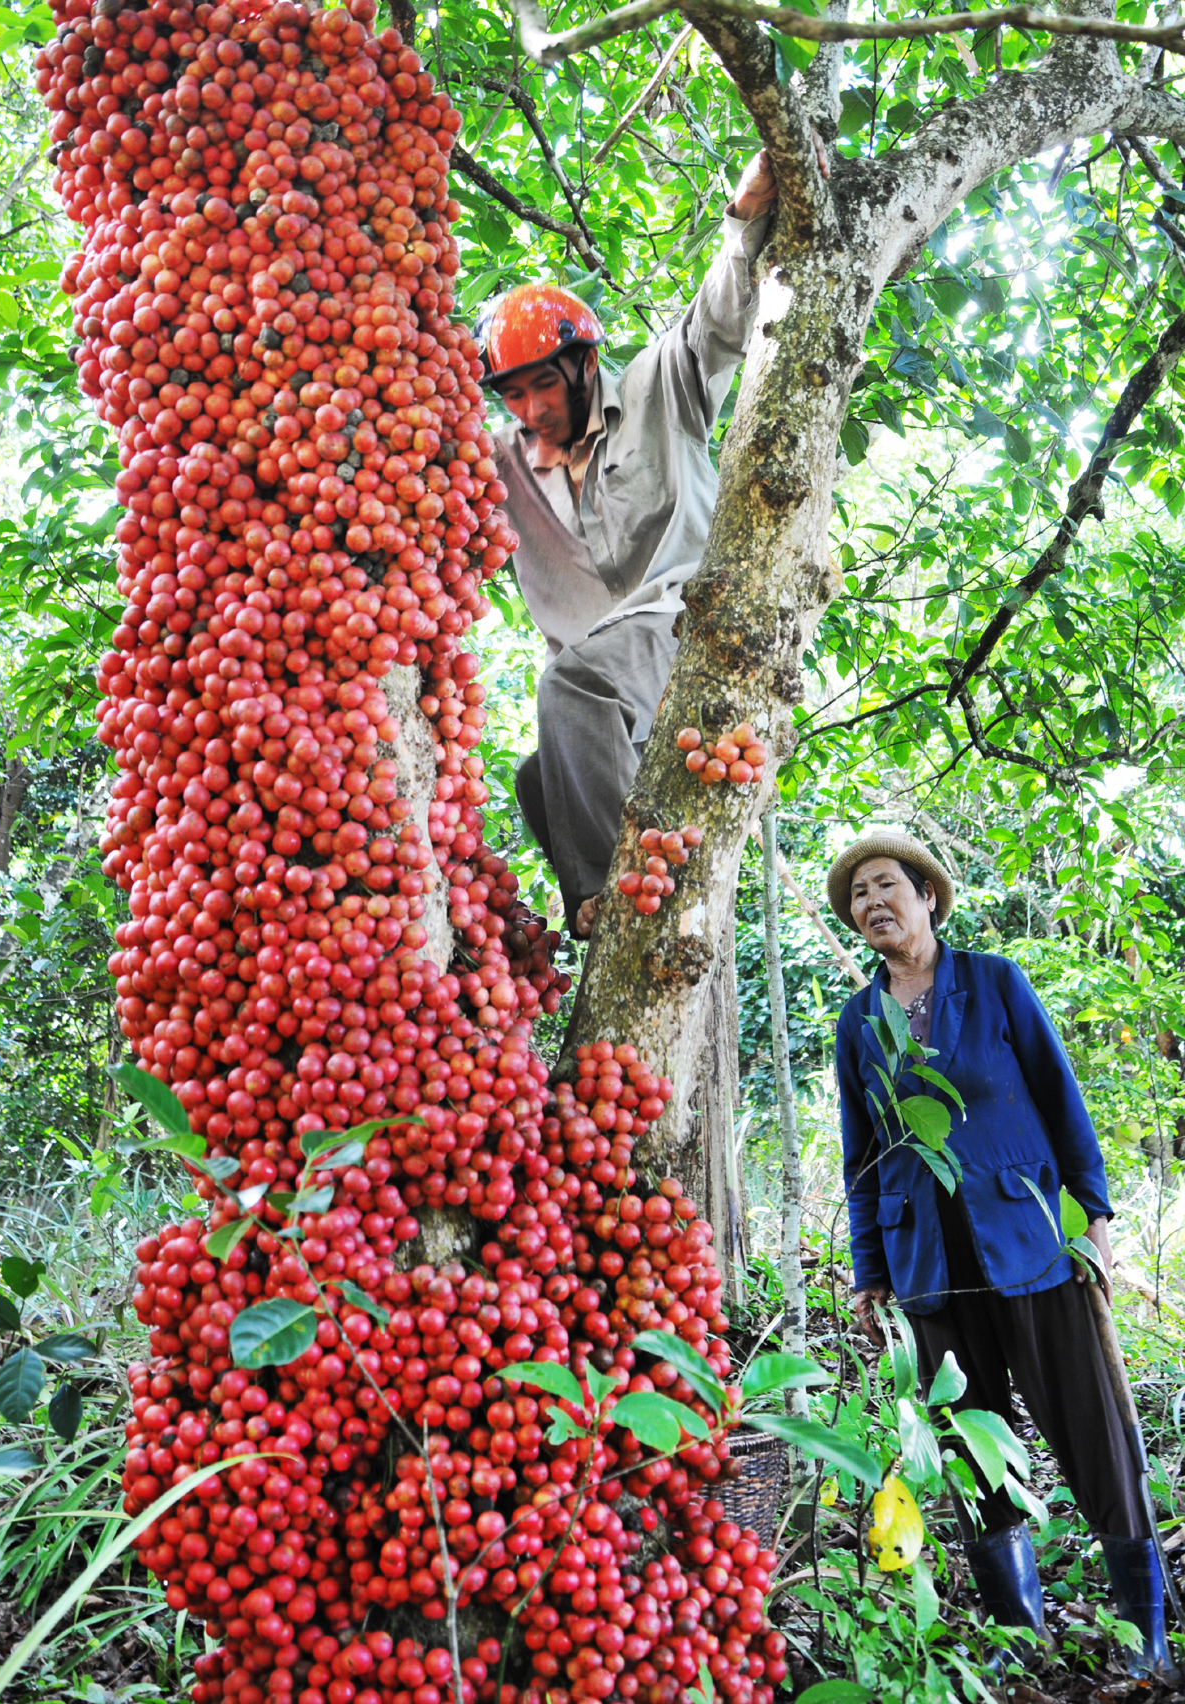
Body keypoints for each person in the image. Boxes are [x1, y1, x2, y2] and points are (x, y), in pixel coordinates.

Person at [827, 828, 1178, 1680]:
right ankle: (1023, 1645)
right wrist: (871, 1274)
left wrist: (1094, 1220)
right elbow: (861, 1156)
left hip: (1032, 1246)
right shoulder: (859, 1021)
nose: (873, 903)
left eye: (886, 885)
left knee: (1095, 1437)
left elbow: (1063, 1101)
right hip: (929, 1271)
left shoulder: (994, 982)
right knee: (974, 1455)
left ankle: (1149, 1643)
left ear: (927, 896)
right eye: (859, 896)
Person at [474, 151, 780, 938]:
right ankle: (606, 909)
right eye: (512, 396)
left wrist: (743, 221)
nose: (531, 411)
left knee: (569, 686)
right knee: (536, 780)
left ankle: (617, 898)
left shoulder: (654, 387)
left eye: (545, 384)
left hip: (689, 627)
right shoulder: (499, 464)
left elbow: (715, 323)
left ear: (585, 363)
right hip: (616, 702)